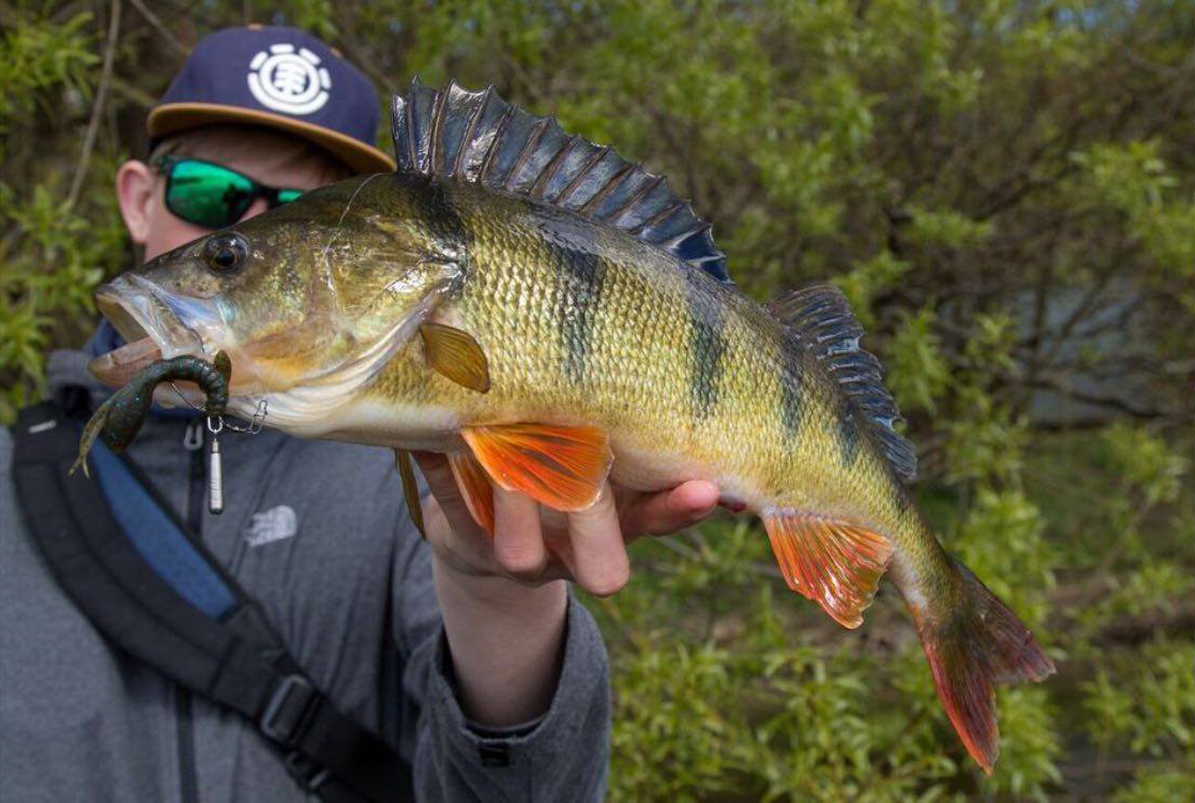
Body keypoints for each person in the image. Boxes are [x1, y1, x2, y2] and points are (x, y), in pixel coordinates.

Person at [0, 26, 720, 802]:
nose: (237, 229)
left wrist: (495, 596)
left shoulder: (415, 482)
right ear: (139, 199)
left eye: (296, 211)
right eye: (210, 196)